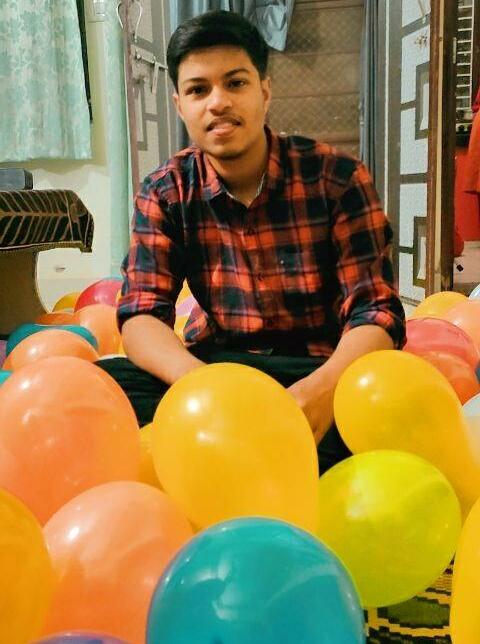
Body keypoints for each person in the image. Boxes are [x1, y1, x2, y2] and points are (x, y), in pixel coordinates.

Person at [99, 10, 405, 473]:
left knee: (392, 404)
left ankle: (248, 457)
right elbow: (141, 313)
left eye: (235, 83)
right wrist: (204, 388)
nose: (218, 102)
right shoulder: (166, 190)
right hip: (218, 367)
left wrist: (323, 392)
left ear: (264, 91)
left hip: (319, 369)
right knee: (102, 391)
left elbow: (376, 311)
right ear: (180, 104)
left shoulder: (337, 177)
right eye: (198, 90)